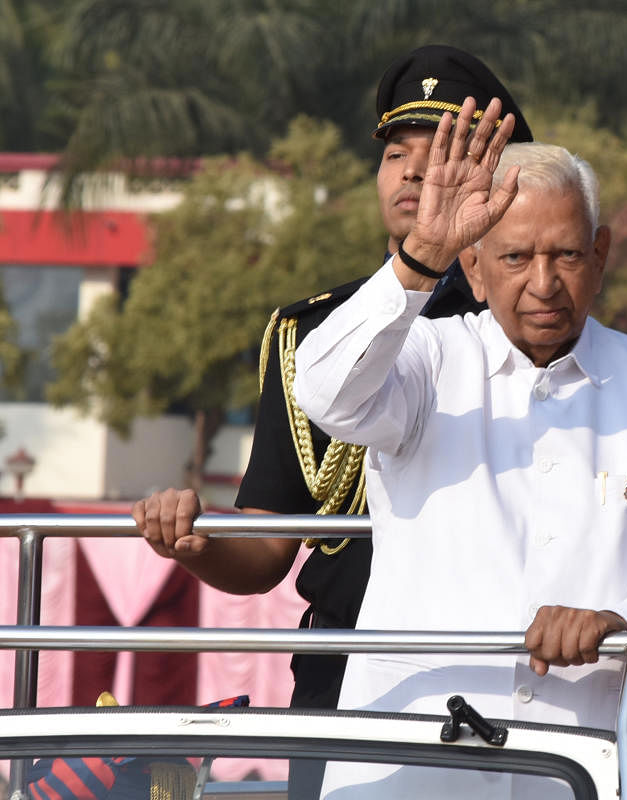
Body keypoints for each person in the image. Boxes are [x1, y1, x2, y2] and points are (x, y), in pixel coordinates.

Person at [292, 96, 627, 799]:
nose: (544, 283)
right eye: (515, 257)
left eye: (566, 254)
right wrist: (420, 258)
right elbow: (324, 393)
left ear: (599, 255)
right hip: (414, 761)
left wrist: (622, 621)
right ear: (473, 267)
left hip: (590, 756)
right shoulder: (427, 359)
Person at [132, 45, 533, 799]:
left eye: (444, 149)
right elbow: (265, 552)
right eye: (395, 153)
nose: (415, 171)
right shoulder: (308, 334)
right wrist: (193, 542)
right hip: (343, 666)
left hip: (492, 663)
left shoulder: (528, 326)